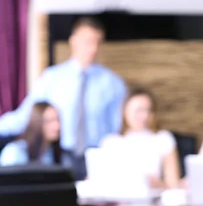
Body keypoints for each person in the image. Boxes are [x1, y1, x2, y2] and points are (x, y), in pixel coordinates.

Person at [0, 16, 127, 180]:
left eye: (98, 42)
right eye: (88, 41)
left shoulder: (113, 83)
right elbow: (25, 116)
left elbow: (116, 128)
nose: (93, 48)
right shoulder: (51, 78)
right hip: (61, 156)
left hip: (97, 159)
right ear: (73, 41)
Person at [100, 88, 180, 189]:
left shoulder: (163, 139)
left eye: (149, 110)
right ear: (125, 111)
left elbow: (174, 185)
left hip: (153, 200)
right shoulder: (111, 142)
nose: (145, 116)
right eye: (139, 110)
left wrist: (158, 184)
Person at [0, 102, 62, 166]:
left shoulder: (50, 153)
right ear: (37, 123)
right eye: (50, 121)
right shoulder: (14, 152)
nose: (57, 126)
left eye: (58, 120)